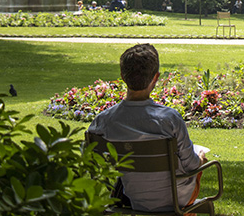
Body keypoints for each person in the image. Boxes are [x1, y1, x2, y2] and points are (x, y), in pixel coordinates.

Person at [87, 44, 208, 212]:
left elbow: (89, 160)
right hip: (176, 199)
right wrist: (201, 158)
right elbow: (192, 166)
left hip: (133, 197)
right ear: (156, 77)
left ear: (122, 76)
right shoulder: (169, 119)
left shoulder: (104, 121)